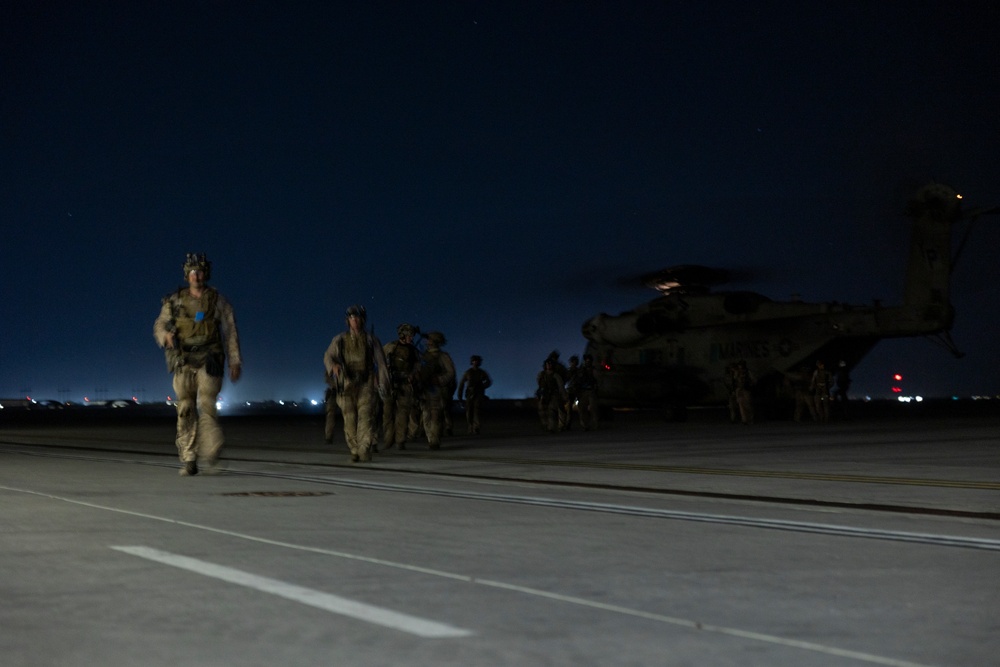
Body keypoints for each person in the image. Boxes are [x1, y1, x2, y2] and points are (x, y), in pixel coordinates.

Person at [153, 253, 242, 476]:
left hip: (209, 359)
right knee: (185, 408)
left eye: (200, 271)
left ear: (206, 273)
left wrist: (234, 360)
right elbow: (159, 324)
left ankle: (211, 450)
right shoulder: (175, 301)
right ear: (186, 274)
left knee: (207, 404)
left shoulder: (217, 301)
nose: (196, 275)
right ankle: (189, 458)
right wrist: (165, 336)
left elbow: (230, 330)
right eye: (192, 271)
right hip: (183, 360)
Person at [323, 305, 390, 462]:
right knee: (350, 419)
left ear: (363, 320)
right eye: (352, 319)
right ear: (348, 321)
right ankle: (354, 449)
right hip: (346, 384)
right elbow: (327, 356)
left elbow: (381, 364)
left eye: (358, 318)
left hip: (366, 383)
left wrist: (383, 384)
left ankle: (364, 449)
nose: (356, 322)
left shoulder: (371, 340)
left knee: (366, 417)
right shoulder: (339, 340)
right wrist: (333, 366)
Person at [382, 323, 421, 450]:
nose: (411, 338)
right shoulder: (390, 347)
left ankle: (400, 441)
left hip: (405, 385)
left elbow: (418, 365)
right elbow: (380, 360)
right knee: (387, 414)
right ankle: (388, 440)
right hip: (391, 384)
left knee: (403, 414)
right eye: (409, 335)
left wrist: (413, 375)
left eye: (412, 335)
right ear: (403, 335)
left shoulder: (413, 351)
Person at [418, 331, 456, 449]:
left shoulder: (442, 356)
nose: (427, 342)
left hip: (436, 389)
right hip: (424, 388)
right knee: (426, 414)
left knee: (435, 414)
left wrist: (440, 380)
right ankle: (431, 438)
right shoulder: (422, 356)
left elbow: (450, 372)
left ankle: (434, 440)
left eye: (430, 340)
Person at [457, 355, 492, 435]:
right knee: (469, 411)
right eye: (474, 360)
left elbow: (488, 381)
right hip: (469, 394)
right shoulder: (468, 372)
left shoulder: (482, 372)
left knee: (477, 411)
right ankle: (470, 427)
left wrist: (482, 387)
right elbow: (461, 384)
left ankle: (476, 427)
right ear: (472, 362)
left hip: (478, 394)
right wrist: (460, 397)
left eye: (477, 361)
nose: (475, 362)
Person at [536, 357, 568, 433]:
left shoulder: (556, 375)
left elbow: (561, 387)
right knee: (542, 410)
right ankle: (546, 425)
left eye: (550, 364)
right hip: (544, 395)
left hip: (554, 395)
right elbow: (539, 383)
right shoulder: (542, 374)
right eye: (547, 364)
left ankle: (551, 427)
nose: (549, 366)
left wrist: (564, 396)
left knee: (552, 410)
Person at [570, 353, 599, 431]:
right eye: (586, 361)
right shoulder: (581, 370)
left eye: (589, 361)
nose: (587, 362)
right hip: (583, 392)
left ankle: (594, 425)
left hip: (591, 391)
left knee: (593, 409)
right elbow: (576, 380)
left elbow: (597, 380)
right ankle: (585, 425)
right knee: (582, 409)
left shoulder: (593, 370)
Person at [810, 359, 833, 423]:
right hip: (818, 390)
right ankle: (821, 417)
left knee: (825, 405)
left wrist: (827, 387)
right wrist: (812, 387)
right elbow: (813, 381)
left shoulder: (827, 372)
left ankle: (826, 419)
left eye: (821, 364)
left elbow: (831, 381)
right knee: (817, 405)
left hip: (825, 390)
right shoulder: (816, 372)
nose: (821, 366)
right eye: (819, 365)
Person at [563, 355, 580, 430]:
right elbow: (565, 380)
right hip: (570, 390)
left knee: (581, 408)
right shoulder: (569, 371)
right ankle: (567, 424)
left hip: (577, 389)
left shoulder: (579, 371)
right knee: (569, 408)